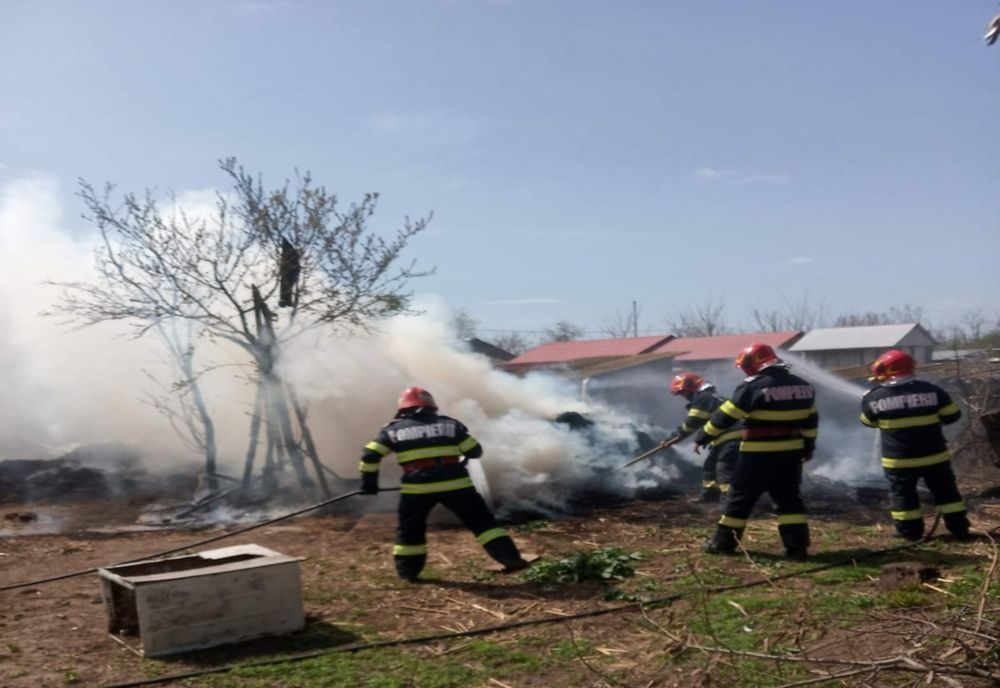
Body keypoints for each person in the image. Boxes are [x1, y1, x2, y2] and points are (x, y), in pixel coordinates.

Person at [359, 386, 530, 582]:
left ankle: (409, 573)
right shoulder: (450, 425)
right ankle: (510, 558)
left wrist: (369, 483)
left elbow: (370, 455)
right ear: (431, 405)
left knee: (411, 529)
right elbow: (475, 451)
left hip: (418, 489)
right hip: (457, 485)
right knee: (483, 523)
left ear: (403, 408)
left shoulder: (393, 430)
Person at [694, 344, 818, 559]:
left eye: (746, 366)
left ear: (756, 364)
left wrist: (704, 436)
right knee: (789, 500)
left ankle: (723, 544)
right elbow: (811, 421)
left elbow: (727, 415)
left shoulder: (753, 386)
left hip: (757, 453)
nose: (745, 371)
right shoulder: (804, 386)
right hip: (791, 453)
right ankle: (797, 547)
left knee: (739, 498)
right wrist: (808, 447)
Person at [860, 349, 970, 541]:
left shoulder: (874, 396)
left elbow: (868, 422)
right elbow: (953, 416)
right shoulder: (932, 391)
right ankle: (959, 528)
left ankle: (909, 532)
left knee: (904, 496)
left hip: (898, 460)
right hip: (935, 456)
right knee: (946, 492)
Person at [667, 373, 740, 503]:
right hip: (726, 438)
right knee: (710, 467)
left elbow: (691, 425)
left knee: (724, 469)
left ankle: (731, 502)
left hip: (732, 437)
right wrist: (702, 438)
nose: (683, 396)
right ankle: (710, 496)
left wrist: (671, 439)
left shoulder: (703, 398)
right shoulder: (710, 396)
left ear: (690, 389)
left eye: (683, 393)